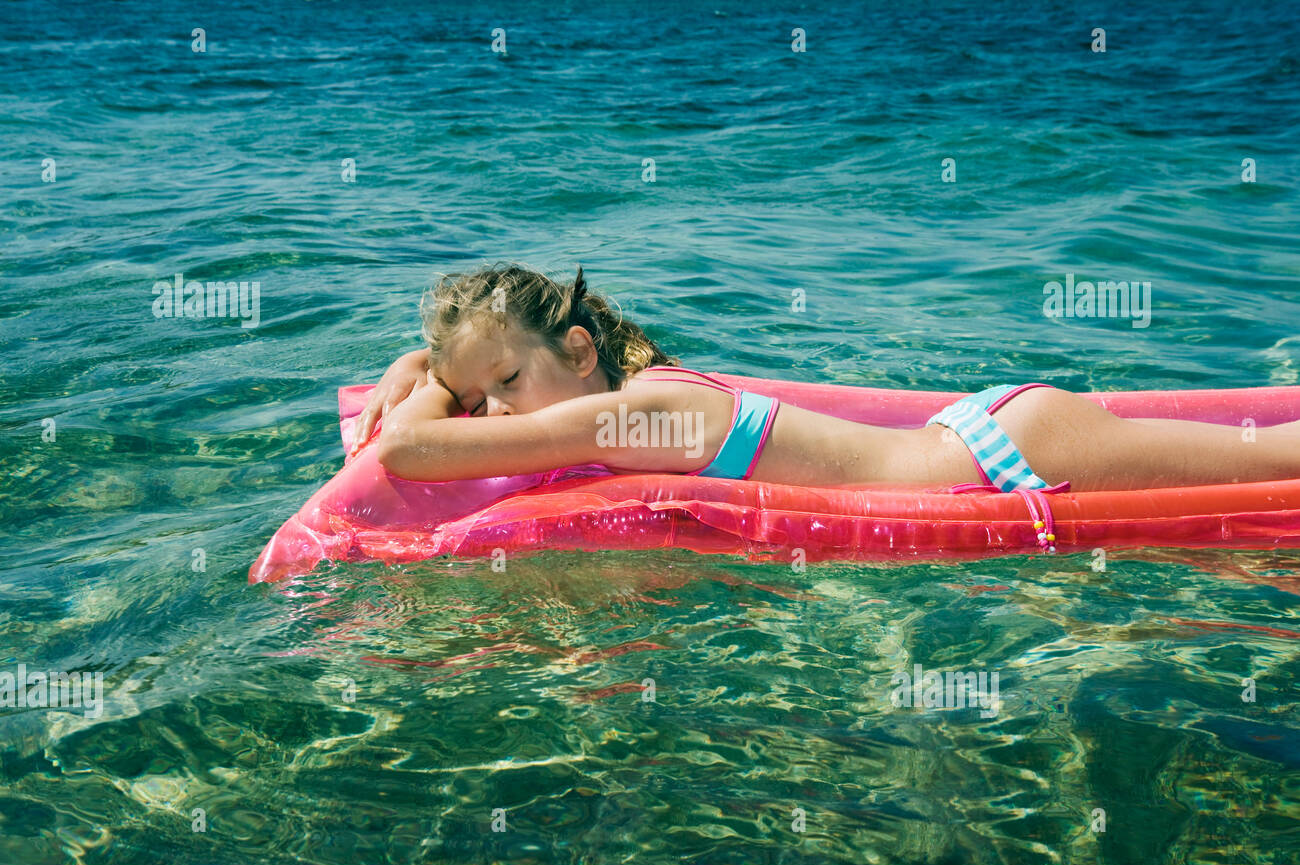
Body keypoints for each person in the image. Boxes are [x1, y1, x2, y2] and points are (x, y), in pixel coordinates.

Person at [352, 263, 1300, 493]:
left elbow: (408, 448)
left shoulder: (628, 417)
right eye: (488, 399)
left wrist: (428, 389)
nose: (498, 411)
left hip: (1008, 456)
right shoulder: (638, 388)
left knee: (1280, 466)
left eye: (508, 382)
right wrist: (425, 366)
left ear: (579, 349)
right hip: (985, 434)